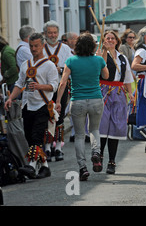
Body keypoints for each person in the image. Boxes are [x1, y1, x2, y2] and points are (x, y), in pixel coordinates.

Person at [4, 33, 59, 179]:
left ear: (43, 46)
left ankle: (31, 165)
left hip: (43, 105)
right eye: (31, 46)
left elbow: (54, 86)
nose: (34, 49)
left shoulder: (49, 65)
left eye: (36, 46)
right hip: (27, 105)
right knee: (30, 137)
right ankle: (45, 167)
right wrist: (10, 98)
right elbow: (19, 84)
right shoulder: (25, 65)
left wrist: (39, 86)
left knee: (36, 136)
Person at [55, 33, 108, 181]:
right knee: (94, 129)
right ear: (92, 46)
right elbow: (106, 75)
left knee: (79, 135)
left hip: (77, 100)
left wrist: (58, 101)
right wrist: (101, 59)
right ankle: (96, 152)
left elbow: (63, 82)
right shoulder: (98, 60)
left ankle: (82, 167)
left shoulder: (71, 60)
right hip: (96, 99)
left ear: (77, 46)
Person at [98, 30, 135, 174]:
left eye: (113, 38)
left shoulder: (123, 58)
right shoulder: (100, 56)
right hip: (103, 92)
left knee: (116, 127)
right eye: (107, 38)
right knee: (102, 124)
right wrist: (102, 52)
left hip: (119, 94)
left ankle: (112, 161)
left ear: (117, 41)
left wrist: (130, 94)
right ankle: (99, 156)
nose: (110, 40)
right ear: (104, 41)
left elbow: (126, 79)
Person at [42, 20, 73, 161]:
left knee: (59, 116)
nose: (52, 35)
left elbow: (72, 67)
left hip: (61, 86)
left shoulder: (65, 49)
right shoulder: (41, 48)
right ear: (45, 34)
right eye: (50, 32)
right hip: (45, 87)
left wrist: (60, 69)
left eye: (55, 32)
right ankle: (47, 148)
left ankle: (59, 148)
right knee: (47, 116)